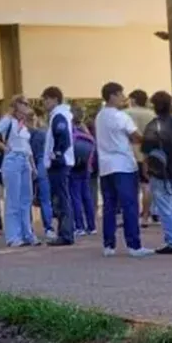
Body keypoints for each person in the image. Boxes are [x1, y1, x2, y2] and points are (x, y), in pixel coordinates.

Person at [95, 83, 151, 258]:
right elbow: (136, 136)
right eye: (120, 95)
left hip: (105, 166)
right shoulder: (121, 117)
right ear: (112, 96)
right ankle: (134, 244)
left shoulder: (100, 117)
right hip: (123, 165)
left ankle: (109, 245)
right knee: (129, 205)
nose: (123, 98)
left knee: (109, 206)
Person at [142, 91, 172, 255]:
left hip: (161, 171)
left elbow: (146, 149)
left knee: (165, 207)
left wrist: (146, 166)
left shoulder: (154, 125)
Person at [0, 95, 38, 247]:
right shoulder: (8, 120)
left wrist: (32, 165)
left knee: (26, 199)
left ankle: (27, 233)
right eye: (23, 103)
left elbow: (27, 147)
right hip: (13, 159)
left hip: (24, 160)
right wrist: (4, 148)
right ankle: (13, 236)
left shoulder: (23, 124)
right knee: (13, 199)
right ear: (16, 105)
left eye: (27, 104)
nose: (26, 106)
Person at [39, 86, 78, 246]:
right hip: (61, 163)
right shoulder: (60, 115)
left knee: (61, 199)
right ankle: (66, 232)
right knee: (62, 198)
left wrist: (56, 155)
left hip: (59, 164)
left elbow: (63, 139)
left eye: (46, 100)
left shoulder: (59, 116)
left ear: (55, 99)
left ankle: (66, 233)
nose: (45, 103)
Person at [125, 90, 157, 224]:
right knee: (146, 185)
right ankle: (145, 216)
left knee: (131, 188)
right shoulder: (152, 115)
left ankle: (132, 217)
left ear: (133, 100)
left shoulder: (126, 113)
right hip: (148, 154)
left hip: (129, 152)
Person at [70, 106, 97, 236]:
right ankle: (91, 226)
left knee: (75, 196)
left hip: (74, 167)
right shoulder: (86, 133)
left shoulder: (71, 132)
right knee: (87, 196)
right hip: (86, 167)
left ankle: (79, 225)